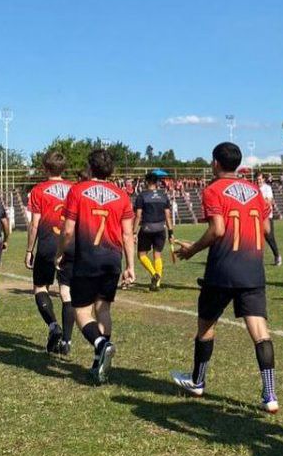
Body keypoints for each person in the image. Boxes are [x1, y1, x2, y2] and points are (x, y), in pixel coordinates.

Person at [171, 143, 279, 413]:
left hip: (222, 269)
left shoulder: (213, 190)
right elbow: (266, 227)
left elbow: (217, 229)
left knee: (206, 327)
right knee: (260, 332)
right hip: (253, 269)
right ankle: (270, 395)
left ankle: (197, 381)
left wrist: (192, 250)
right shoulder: (255, 191)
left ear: (216, 163)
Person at [58, 149, 135, 384]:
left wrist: (61, 252)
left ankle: (101, 344)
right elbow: (128, 233)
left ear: (90, 167)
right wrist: (130, 265)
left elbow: (69, 229)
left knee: (81, 311)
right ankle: (98, 362)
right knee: (103, 310)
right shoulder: (121, 195)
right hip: (113, 259)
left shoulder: (78, 190)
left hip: (87, 258)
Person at [26, 151, 75, 354]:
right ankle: (67, 342)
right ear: (63, 168)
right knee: (66, 292)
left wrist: (30, 249)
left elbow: (34, 224)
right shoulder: (75, 189)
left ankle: (54, 326)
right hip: (70, 244)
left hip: (47, 244)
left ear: (45, 168)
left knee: (40, 288)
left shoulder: (38, 191)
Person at [133, 172, 174, 291]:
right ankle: (157, 283)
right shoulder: (163, 195)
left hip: (147, 229)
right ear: (157, 183)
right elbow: (168, 216)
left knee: (141, 255)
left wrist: (134, 232)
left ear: (146, 182)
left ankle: (154, 274)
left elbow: (138, 215)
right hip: (161, 229)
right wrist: (171, 232)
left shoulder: (142, 196)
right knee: (157, 255)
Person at [256, 171, 282, 266]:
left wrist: (259, 201)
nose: (258, 181)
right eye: (257, 179)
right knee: (257, 238)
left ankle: (277, 255)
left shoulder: (267, 188)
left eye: (260, 179)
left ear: (263, 179)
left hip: (267, 216)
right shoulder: (254, 188)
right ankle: (258, 259)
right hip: (257, 216)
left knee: (270, 237)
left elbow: (269, 201)